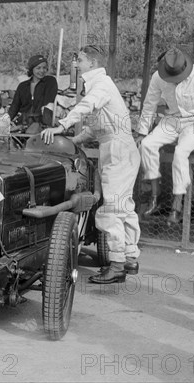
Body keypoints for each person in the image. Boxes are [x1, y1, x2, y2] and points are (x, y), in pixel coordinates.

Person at [40, 45, 140, 284]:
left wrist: (61, 126)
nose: (76, 64)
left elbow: (86, 107)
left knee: (113, 208)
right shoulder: (99, 85)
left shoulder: (102, 85)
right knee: (123, 206)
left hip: (118, 150)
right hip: (116, 148)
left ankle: (117, 265)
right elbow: (95, 128)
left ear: (93, 63)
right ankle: (129, 258)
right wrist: (70, 140)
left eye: (80, 60)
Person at [136, 48, 194, 224]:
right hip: (171, 120)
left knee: (181, 153)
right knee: (147, 145)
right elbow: (150, 104)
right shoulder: (158, 77)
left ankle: (177, 204)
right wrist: (142, 132)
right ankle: (155, 194)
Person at [8, 54, 58, 129]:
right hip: (24, 124)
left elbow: (48, 104)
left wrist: (46, 125)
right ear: (32, 69)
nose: (42, 71)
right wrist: (4, 122)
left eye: (44, 68)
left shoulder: (50, 82)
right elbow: (14, 108)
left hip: (42, 124)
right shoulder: (23, 86)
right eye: (38, 68)